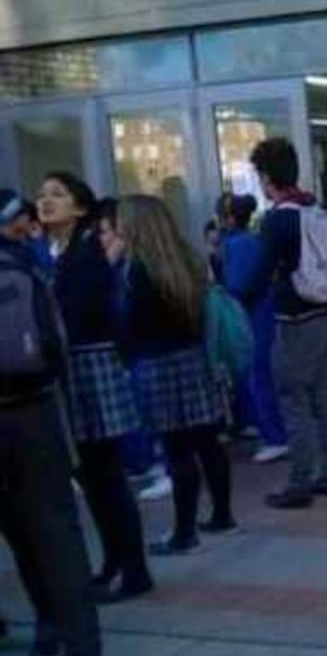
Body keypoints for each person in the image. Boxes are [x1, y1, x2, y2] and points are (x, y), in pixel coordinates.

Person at [0, 188, 103, 656]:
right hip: (34, 411)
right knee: (58, 530)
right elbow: (55, 346)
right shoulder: (27, 269)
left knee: (16, 532)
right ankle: (85, 652)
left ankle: (46, 625)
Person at [39, 175, 154, 604]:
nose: (46, 201)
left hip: (91, 366)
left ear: (80, 207)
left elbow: (75, 313)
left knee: (106, 477)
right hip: (74, 369)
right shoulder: (57, 253)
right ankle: (113, 561)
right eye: (43, 194)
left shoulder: (86, 254)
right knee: (92, 476)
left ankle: (134, 569)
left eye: (57, 195)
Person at [102, 196, 237, 554]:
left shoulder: (136, 270)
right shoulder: (187, 259)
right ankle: (222, 514)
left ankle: (184, 531)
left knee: (176, 450)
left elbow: (127, 324)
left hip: (157, 364)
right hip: (193, 358)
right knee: (208, 442)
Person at [249, 138, 327, 510]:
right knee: (324, 396)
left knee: (294, 400)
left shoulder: (278, 219)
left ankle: (299, 482)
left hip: (295, 320)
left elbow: (258, 276)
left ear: (266, 176)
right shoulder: (315, 209)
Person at [219, 193, 290, 464]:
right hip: (261, 312)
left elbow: (239, 284)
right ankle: (268, 429)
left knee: (259, 375)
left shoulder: (237, 244)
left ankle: (274, 434)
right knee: (261, 373)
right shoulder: (251, 240)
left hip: (254, 315)